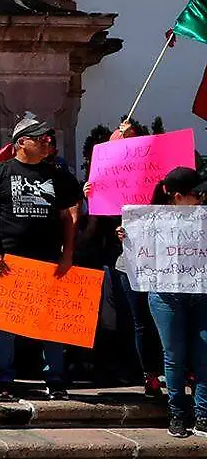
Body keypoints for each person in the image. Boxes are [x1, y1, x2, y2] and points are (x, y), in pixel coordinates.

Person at [0, 117, 80, 402]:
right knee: (6, 325)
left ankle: (56, 381)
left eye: (48, 138)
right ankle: (3, 382)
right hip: (10, 262)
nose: (47, 141)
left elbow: (69, 217)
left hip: (49, 261)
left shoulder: (59, 176)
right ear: (21, 142)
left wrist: (68, 253)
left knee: (52, 323)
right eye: (40, 138)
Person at [121, 167, 207, 438]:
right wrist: (127, 237)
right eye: (198, 194)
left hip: (201, 293)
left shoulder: (202, 218)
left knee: (204, 354)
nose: (202, 198)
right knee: (175, 356)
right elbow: (134, 259)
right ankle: (178, 413)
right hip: (166, 296)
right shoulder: (148, 221)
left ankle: (203, 414)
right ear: (178, 197)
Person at [85, 119, 163, 397]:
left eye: (127, 137)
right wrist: (92, 201)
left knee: (152, 317)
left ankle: (155, 368)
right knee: (129, 317)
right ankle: (136, 368)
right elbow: (92, 230)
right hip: (118, 259)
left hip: (160, 260)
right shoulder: (104, 181)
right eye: (116, 138)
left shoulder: (159, 181)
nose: (120, 141)